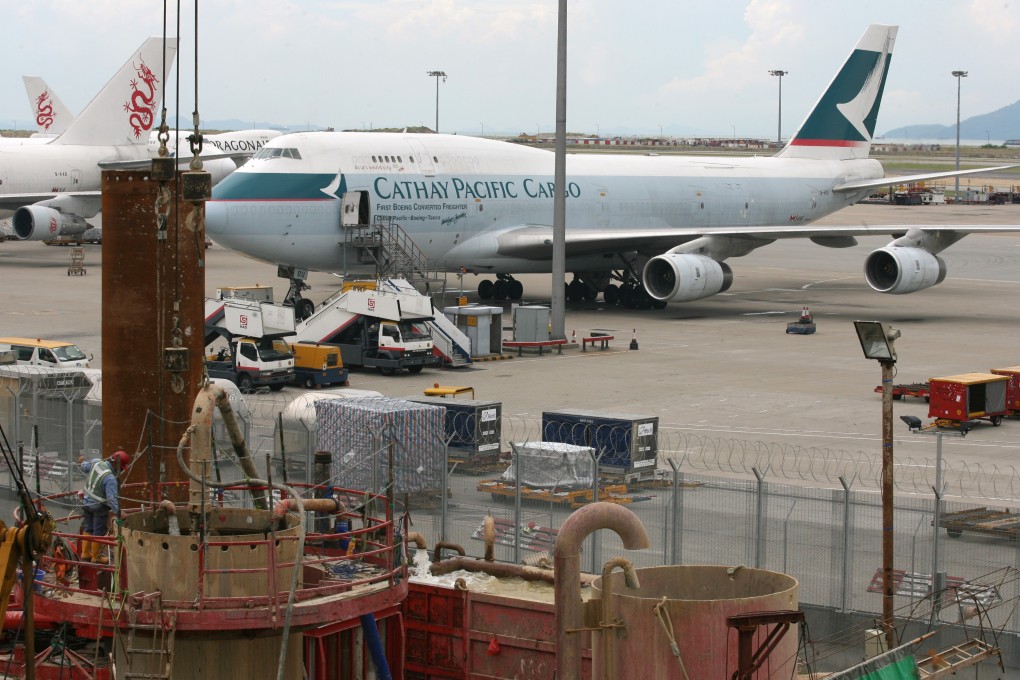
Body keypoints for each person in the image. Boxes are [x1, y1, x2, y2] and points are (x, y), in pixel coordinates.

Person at [77, 448, 130, 564]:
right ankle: (96, 557)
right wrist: (119, 513)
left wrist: (82, 461)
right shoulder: (110, 479)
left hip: (86, 503)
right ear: (117, 465)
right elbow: (112, 500)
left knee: (88, 528)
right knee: (99, 531)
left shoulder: (96, 462)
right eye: (121, 468)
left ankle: (85, 553)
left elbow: (84, 466)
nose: (120, 471)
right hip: (98, 508)